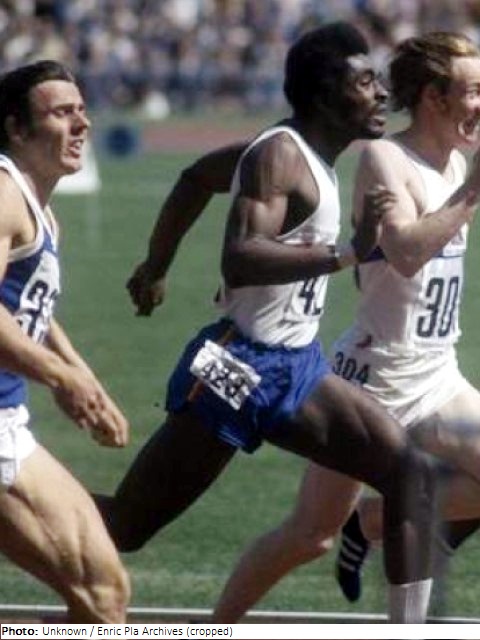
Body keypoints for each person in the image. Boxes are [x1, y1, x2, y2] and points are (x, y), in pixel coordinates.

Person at [97, 22, 439, 624]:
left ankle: (408, 632)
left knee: (408, 473)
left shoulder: (299, 151)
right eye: (365, 81)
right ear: (324, 92)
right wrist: (349, 253)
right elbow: (241, 257)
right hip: (234, 367)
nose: (382, 92)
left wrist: (155, 267)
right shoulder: (280, 154)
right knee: (126, 527)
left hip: (295, 365)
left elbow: (195, 177)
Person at [207, 30, 480, 621]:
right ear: (434, 98)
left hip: (436, 378)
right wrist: (472, 190)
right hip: (373, 381)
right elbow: (404, 252)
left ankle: (374, 520)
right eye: (473, 91)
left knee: (415, 495)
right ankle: (217, 628)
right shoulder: (387, 159)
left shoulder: (458, 160)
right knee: (310, 535)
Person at [0, 60, 130, 622]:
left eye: (81, 110)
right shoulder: (4, 195)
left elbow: (31, 310)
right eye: (61, 113)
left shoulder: (41, 211)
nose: (81, 124)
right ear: (16, 128)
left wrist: (83, 377)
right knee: (102, 596)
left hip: (9, 418)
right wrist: (60, 377)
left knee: (103, 595)